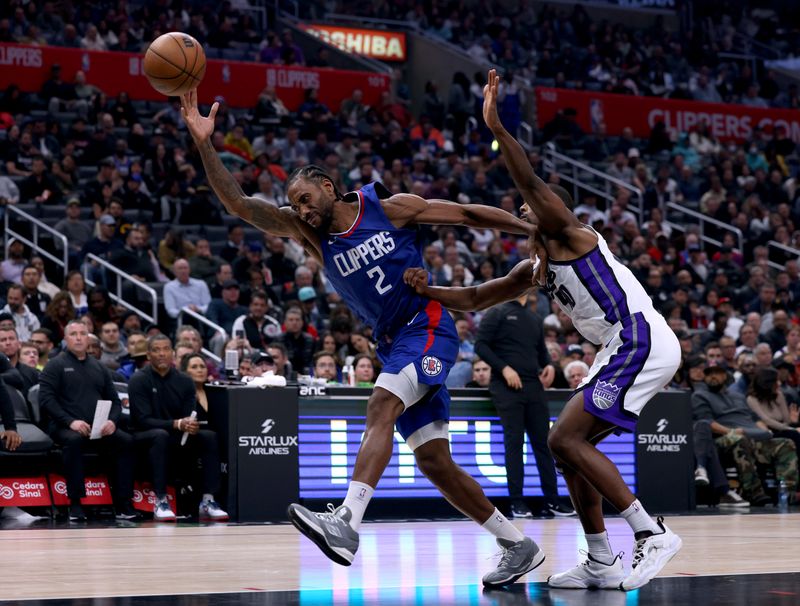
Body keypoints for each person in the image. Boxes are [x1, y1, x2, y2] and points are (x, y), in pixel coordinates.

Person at [181, 88, 543, 586]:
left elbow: (466, 213)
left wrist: (530, 227)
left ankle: (346, 523)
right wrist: (205, 144)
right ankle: (517, 544)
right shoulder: (309, 234)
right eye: (296, 206)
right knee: (435, 461)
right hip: (395, 342)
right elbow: (241, 204)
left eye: (306, 200)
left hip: (430, 327)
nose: (302, 211)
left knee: (380, 406)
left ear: (328, 187)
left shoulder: (391, 209)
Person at [403, 69, 683, 591]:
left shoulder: (570, 233)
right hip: (620, 348)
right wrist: (427, 291)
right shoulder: (534, 270)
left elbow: (528, 180)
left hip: (638, 335)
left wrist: (498, 127)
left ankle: (651, 532)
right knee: (566, 446)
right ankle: (600, 559)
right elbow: (476, 298)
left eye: (531, 205)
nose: (523, 208)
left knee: (563, 437)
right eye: (523, 208)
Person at [474, 289, 567, 519]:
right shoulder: (497, 311)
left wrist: (548, 366)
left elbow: (541, 352)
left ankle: (552, 501)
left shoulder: (534, 318)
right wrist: (504, 368)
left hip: (533, 385)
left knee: (544, 444)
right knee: (514, 443)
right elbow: (480, 346)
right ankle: (517, 502)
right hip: (505, 386)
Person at [38, 320, 137, 521]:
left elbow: (115, 402)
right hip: (63, 426)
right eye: (73, 334)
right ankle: (75, 503)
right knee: (74, 440)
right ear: (65, 339)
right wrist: (70, 422)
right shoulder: (55, 365)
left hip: (98, 427)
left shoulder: (99, 367)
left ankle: (123, 503)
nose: (78, 338)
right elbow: (46, 400)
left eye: (82, 333)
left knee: (126, 441)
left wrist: (112, 422)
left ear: (88, 338)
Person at [128, 335, 228, 522]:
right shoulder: (138, 380)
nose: (162, 354)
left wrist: (190, 425)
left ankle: (208, 500)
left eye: (166, 349)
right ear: (149, 355)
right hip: (144, 435)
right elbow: (142, 420)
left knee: (209, 436)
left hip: (177, 434)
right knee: (160, 435)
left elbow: (189, 414)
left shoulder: (184, 381)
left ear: (172, 354)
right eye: (156, 350)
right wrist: (175, 424)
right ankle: (160, 500)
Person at [692, 364, 798, 507]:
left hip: (752, 434)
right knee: (739, 440)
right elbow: (706, 422)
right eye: (709, 374)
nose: (713, 376)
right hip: (725, 437)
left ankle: (788, 493)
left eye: (717, 373)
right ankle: (755, 492)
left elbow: (756, 419)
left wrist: (766, 432)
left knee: (785, 443)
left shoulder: (738, 396)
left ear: (726, 376)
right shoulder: (700, 396)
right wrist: (731, 432)